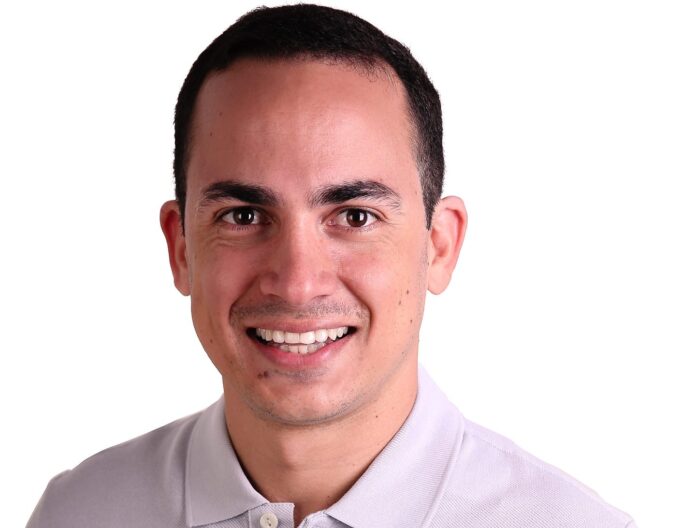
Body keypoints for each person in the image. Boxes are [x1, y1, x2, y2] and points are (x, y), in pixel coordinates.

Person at [28, 4, 636, 527]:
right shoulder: (78, 512)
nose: (297, 283)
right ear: (181, 247)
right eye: (243, 215)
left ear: (439, 246)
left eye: (354, 216)